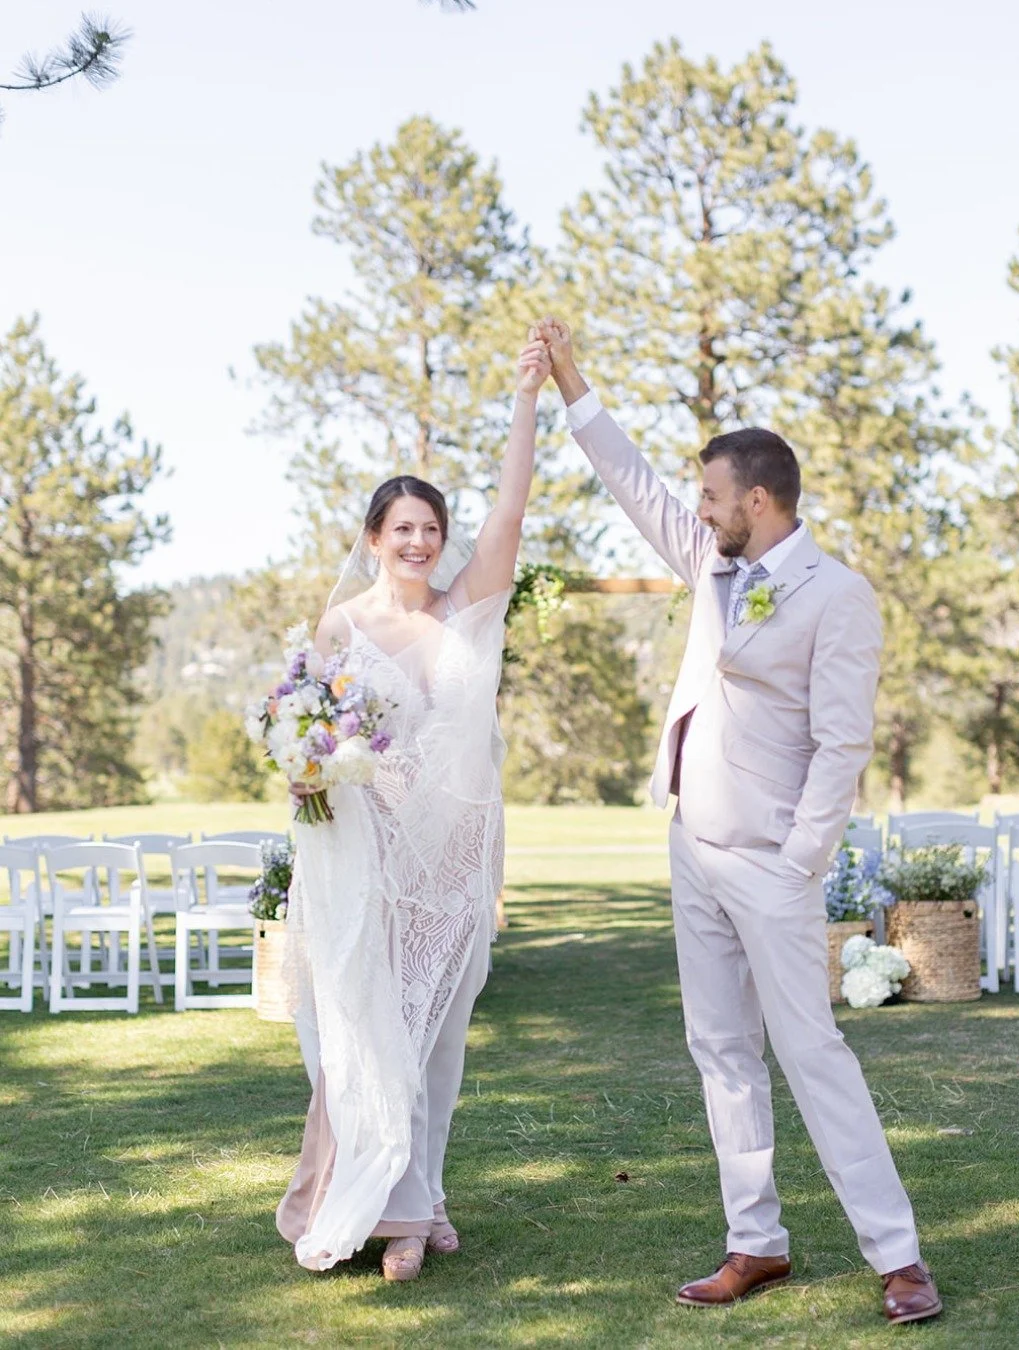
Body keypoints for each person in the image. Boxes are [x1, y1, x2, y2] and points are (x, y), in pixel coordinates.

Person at [532, 317, 942, 1326]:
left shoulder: (838, 597)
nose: (699, 507)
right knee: (721, 1052)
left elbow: (843, 745)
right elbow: (632, 483)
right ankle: (754, 1241)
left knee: (812, 1056)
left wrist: (799, 862)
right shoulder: (712, 563)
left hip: (771, 863)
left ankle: (898, 1258)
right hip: (692, 847)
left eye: (712, 495)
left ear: (756, 503)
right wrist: (573, 383)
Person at [276, 336, 552, 1281]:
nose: (418, 542)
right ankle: (392, 1215)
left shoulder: (468, 606)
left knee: (438, 1033)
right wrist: (305, 774)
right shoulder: (343, 627)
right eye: (400, 528)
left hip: (456, 857)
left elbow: (511, 506)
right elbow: (307, 738)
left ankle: (424, 1192)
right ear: (372, 538)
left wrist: (527, 398)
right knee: (371, 1026)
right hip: (368, 855)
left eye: (429, 527)